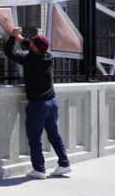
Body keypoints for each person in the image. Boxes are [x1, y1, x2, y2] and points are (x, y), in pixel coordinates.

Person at [4, 27, 71, 179]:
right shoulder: (48, 57)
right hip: (52, 103)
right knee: (54, 134)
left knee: (35, 138)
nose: (30, 45)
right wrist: (19, 37)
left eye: (32, 44)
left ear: (35, 48)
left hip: (38, 105)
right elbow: (32, 46)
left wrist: (12, 38)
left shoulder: (29, 60)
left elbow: (10, 53)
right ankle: (64, 163)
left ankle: (39, 169)